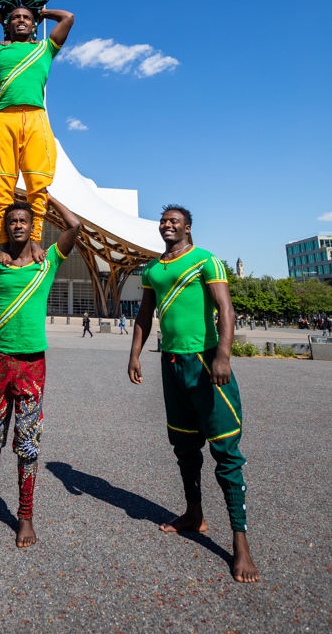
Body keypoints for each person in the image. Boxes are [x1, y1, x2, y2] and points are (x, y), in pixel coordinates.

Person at [128, 205, 259, 583]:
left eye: (175, 221)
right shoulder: (152, 269)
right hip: (171, 364)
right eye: (163, 220)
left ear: (188, 226)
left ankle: (240, 542)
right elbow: (144, 315)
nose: (167, 225)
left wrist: (223, 355)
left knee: (225, 453)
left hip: (205, 362)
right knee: (184, 447)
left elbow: (225, 309)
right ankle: (194, 515)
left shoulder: (207, 260)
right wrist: (135, 354)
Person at [0, 191, 80, 547]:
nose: (18, 224)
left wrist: (47, 196)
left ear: (32, 225)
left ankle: (25, 515)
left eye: (23, 220)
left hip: (32, 364)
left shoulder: (47, 261)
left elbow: (75, 226)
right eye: (12, 221)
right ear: (5, 228)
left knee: (27, 441)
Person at [0, 5, 74, 266]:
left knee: (39, 183)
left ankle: (34, 238)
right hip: (3, 118)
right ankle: (4, 242)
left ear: (34, 25)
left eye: (26, 18)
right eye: (15, 18)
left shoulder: (45, 49)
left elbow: (68, 18)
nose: (21, 21)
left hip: (36, 118)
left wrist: (41, 13)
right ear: (8, 25)